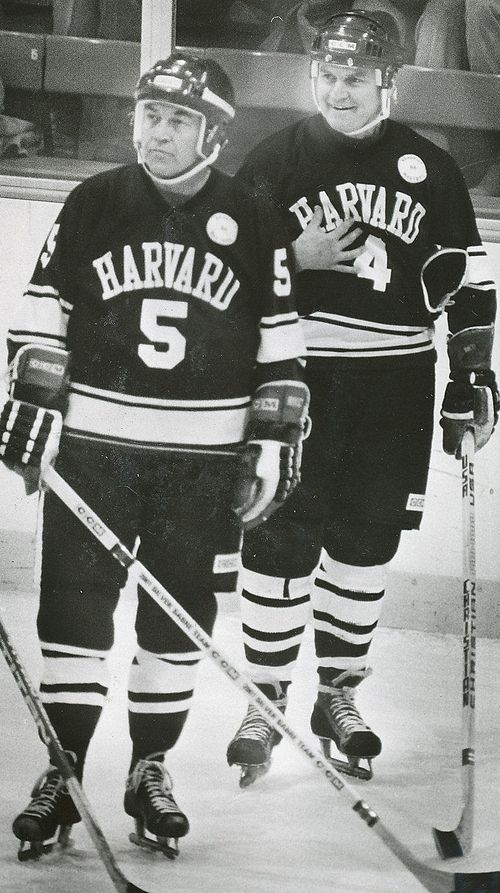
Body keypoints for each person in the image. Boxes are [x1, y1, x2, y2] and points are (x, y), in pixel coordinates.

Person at [0, 51, 309, 858]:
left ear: (212, 134)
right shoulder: (95, 200)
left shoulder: (252, 218)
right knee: (73, 613)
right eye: (149, 114)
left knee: (178, 623)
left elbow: (281, 350)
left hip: (199, 471)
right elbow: (42, 314)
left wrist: (275, 437)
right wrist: (32, 400)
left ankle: (150, 768)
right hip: (94, 459)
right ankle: (61, 770)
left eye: (178, 120)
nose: (158, 132)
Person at [225, 10, 498, 787]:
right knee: (277, 541)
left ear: (389, 81)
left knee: (363, 547)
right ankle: (265, 695)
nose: (340, 91)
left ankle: (337, 695)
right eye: (330, 75)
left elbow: (467, 289)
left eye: (357, 78)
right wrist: (286, 250)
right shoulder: (274, 158)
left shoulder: (430, 170)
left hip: (394, 389)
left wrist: (470, 379)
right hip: (296, 383)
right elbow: (227, 274)